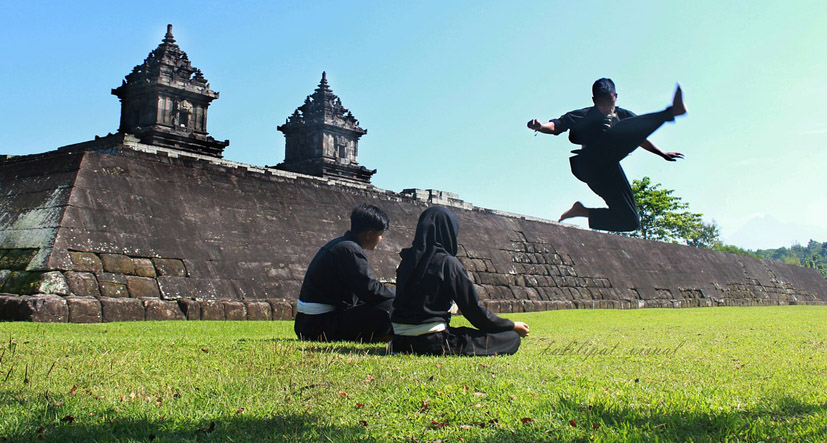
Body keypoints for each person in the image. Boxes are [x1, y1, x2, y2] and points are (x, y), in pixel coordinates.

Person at [527, 78, 687, 232]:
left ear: (615, 97)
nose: (606, 107)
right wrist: (540, 126)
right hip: (588, 164)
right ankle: (671, 112)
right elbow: (557, 125)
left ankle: (581, 211)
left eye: (609, 102)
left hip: (608, 171)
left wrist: (662, 153)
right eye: (601, 103)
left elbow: (640, 138)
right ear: (594, 100)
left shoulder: (623, 114)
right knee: (619, 131)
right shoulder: (585, 114)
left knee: (630, 221)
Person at [390, 206, 530, 356]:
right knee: (511, 339)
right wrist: (511, 326)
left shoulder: (406, 261)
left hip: (399, 340)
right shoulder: (448, 263)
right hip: (432, 341)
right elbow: (474, 312)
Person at [294, 204, 395, 342]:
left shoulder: (340, 245)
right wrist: (399, 293)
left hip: (306, 324)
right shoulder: (350, 251)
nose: (381, 239)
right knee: (391, 305)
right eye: (380, 235)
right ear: (369, 234)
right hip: (318, 327)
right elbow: (370, 291)